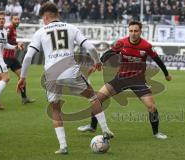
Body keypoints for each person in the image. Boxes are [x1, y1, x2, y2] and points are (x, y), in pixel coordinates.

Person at [17, 2, 113, 155]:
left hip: (51, 75)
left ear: (46, 16)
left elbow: (28, 57)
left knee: (55, 108)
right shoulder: (72, 28)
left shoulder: (41, 32)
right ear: (58, 15)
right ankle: (106, 130)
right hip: (70, 71)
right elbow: (91, 48)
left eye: (43, 18)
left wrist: (23, 77)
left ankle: (63, 147)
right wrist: (97, 62)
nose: (43, 21)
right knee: (93, 97)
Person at [78, 20, 172, 139]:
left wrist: (166, 74)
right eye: (131, 31)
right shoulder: (121, 43)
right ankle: (92, 126)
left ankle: (156, 133)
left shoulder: (146, 46)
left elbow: (157, 60)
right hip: (121, 78)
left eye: (136, 31)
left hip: (138, 81)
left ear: (140, 32)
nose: (133, 33)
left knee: (152, 107)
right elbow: (109, 53)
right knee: (98, 99)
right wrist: (99, 63)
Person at [0, 11, 23, 109]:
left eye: (3, 19)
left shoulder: (4, 32)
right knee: (6, 78)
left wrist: (16, 47)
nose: (1, 20)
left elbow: (6, 45)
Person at [3, 14, 35, 104]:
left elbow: (11, 41)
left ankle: (24, 98)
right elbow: (3, 40)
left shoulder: (14, 29)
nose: (17, 21)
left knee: (22, 77)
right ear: (11, 20)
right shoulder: (9, 28)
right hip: (5, 58)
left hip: (12, 59)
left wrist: (18, 43)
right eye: (15, 19)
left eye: (18, 19)